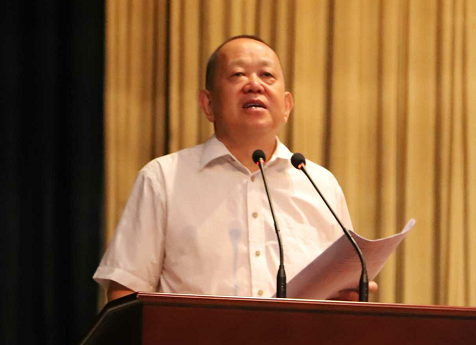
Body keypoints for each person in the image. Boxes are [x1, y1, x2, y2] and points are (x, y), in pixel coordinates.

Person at [94, 35, 377, 301]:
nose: (254, 85)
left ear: (286, 106)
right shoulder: (163, 179)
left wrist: (347, 299)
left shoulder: (319, 184)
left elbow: (343, 290)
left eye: (267, 75)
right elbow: (126, 289)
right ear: (208, 104)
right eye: (238, 74)